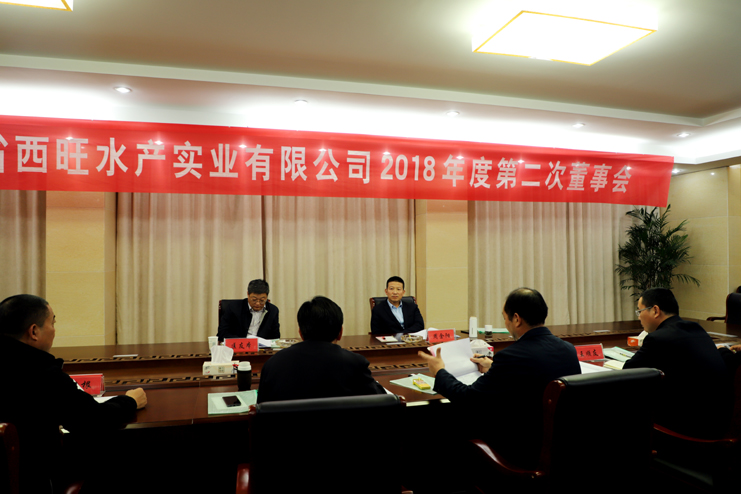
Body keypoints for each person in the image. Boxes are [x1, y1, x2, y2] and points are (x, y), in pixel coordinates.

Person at [418, 287, 580, 467]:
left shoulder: (512, 356)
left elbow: (469, 399)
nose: (506, 323)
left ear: (516, 319)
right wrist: (494, 366)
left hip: (521, 453)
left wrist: (439, 371)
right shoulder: (568, 349)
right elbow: (532, 374)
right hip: (563, 452)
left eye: (505, 318)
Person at [0, 294, 147, 493]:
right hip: (33, 481)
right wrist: (130, 401)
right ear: (34, 331)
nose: (54, 329)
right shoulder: (43, 374)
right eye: (52, 322)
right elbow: (93, 420)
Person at [623, 287, 732, 438]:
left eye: (640, 311)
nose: (639, 317)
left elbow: (627, 373)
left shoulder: (658, 338)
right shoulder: (696, 329)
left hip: (688, 431)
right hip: (719, 424)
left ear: (655, 310)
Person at [258, 296, 385, 403]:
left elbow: (261, 410)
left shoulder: (273, 364)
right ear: (340, 333)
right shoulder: (355, 363)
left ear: (300, 333)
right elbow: (381, 402)